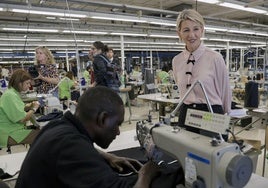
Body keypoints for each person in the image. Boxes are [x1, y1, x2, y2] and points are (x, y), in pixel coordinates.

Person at [15, 86, 160, 188]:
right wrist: (146, 173)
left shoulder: (57, 127)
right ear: (102, 119)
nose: (118, 132)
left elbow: (74, 147)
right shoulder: (73, 148)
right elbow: (76, 151)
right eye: (117, 124)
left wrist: (107, 156)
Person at [172, 9, 231, 137]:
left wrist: (225, 117)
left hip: (211, 113)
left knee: (213, 154)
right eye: (186, 30)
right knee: (185, 153)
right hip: (186, 112)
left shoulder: (215, 58)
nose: (191, 35)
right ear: (179, 33)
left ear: (202, 30)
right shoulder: (176, 61)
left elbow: (225, 90)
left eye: (196, 29)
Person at [0, 69, 40, 149]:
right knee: (44, 135)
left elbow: (16, 109)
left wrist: (28, 106)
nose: (29, 86)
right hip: (10, 134)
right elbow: (22, 119)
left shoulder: (12, 93)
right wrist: (34, 109)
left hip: (12, 130)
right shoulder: (10, 96)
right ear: (19, 83)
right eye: (27, 83)